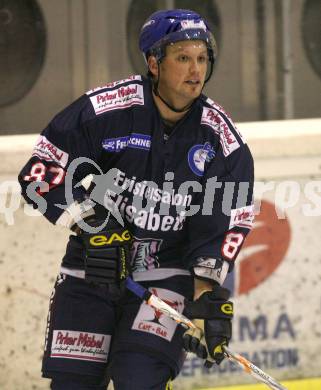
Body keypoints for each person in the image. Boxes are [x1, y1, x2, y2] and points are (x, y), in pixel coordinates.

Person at [18, 9, 254, 390]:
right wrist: (92, 223)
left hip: (163, 278)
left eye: (202, 58)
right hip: (91, 272)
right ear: (153, 63)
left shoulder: (221, 140)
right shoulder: (105, 111)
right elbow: (37, 172)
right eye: (182, 58)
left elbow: (228, 218)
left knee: (139, 380)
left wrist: (205, 298)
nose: (195, 69)